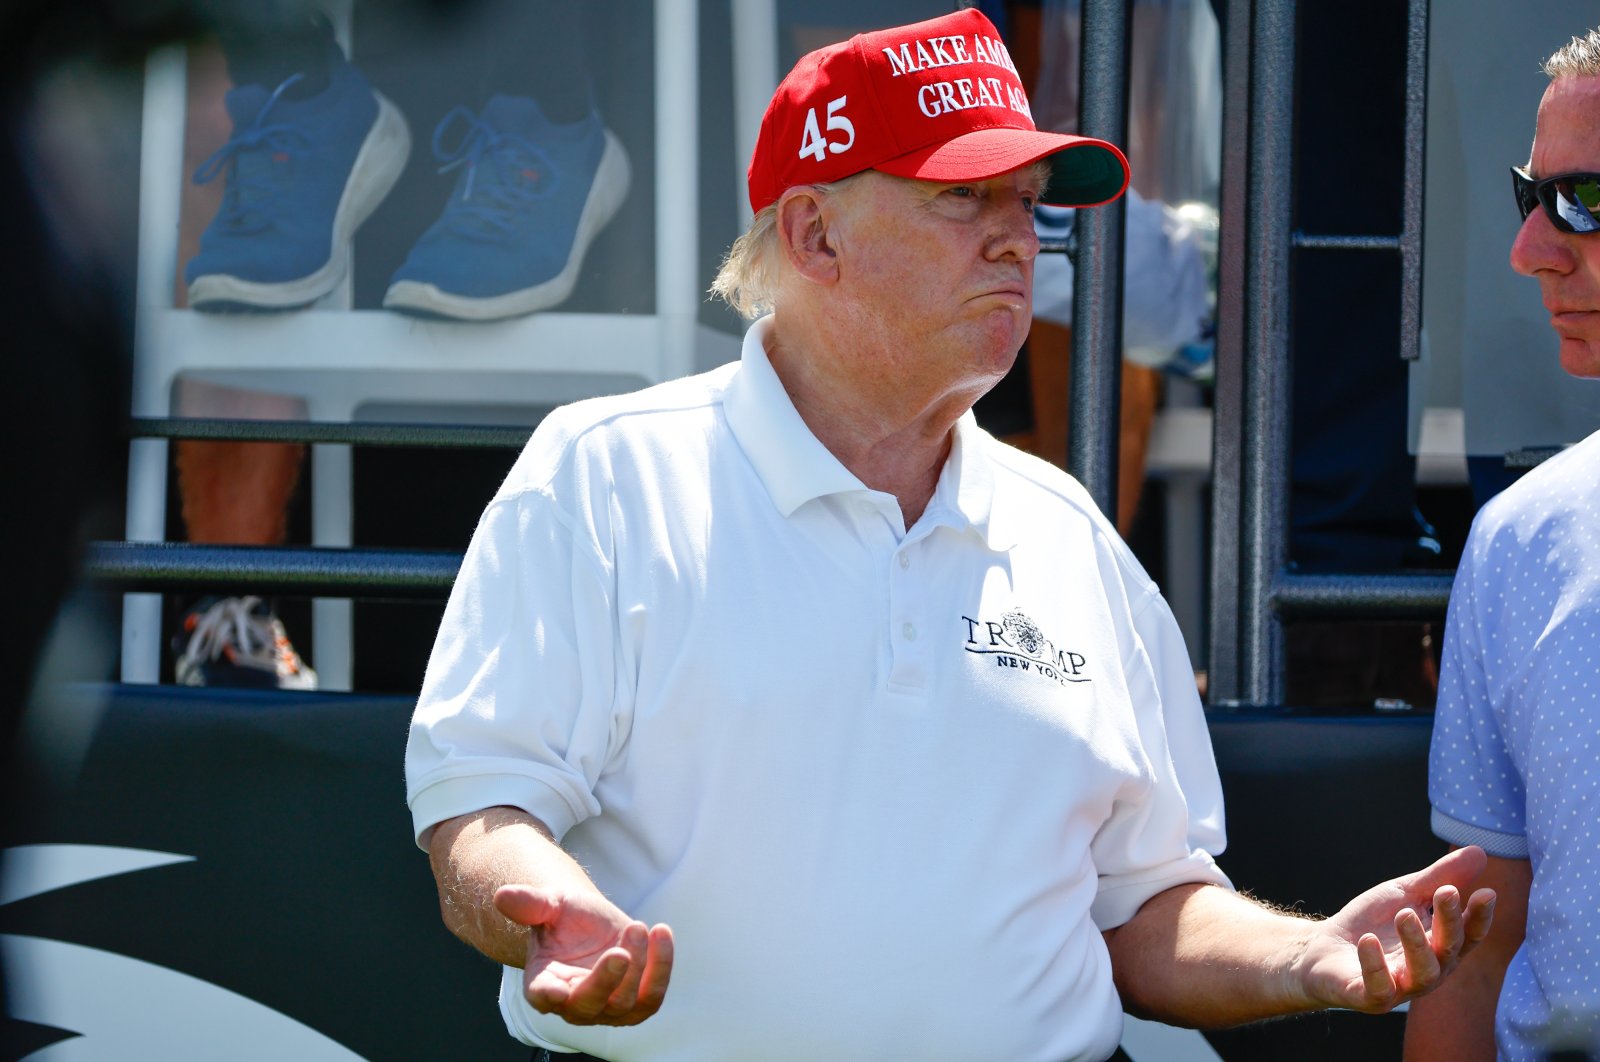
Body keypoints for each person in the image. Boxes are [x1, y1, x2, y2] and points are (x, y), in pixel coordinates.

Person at [406, 11, 1495, 1061]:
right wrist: (549, 915)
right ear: (813, 233)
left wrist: (1308, 956)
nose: (1018, 238)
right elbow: (478, 810)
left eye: (1025, 202)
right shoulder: (608, 476)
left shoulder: (1067, 532)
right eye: (965, 198)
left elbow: (1147, 906)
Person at [1405, 28, 1600, 1062]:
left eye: (1590, 200)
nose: (1529, 249)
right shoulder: (1518, 539)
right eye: (1535, 194)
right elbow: (1477, 948)